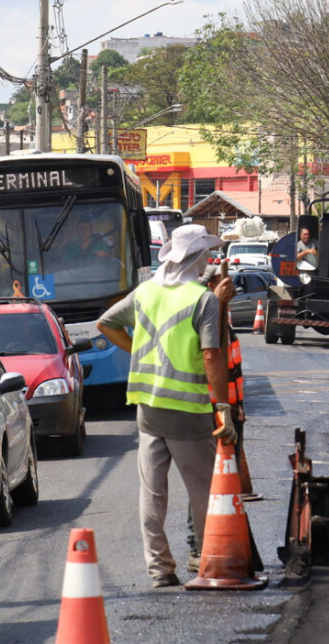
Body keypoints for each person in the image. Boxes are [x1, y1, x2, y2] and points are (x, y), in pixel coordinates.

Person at [97, 224, 237, 589]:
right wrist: (223, 407)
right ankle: (208, 560)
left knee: (152, 493)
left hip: (148, 410)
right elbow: (212, 355)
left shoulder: (145, 291)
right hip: (188, 412)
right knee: (203, 491)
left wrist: (139, 351)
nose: (209, 260)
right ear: (197, 258)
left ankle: (160, 569)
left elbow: (106, 323)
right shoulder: (203, 300)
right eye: (206, 254)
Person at [185, 262, 260, 572]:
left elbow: (230, 366)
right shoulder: (207, 315)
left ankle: (218, 541)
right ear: (208, 286)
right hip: (213, 412)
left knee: (223, 481)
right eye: (220, 281)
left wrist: (237, 407)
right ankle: (198, 545)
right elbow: (211, 357)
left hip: (228, 411)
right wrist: (223, 409)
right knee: (209, 480)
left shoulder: (221, 314)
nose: (228, 285)